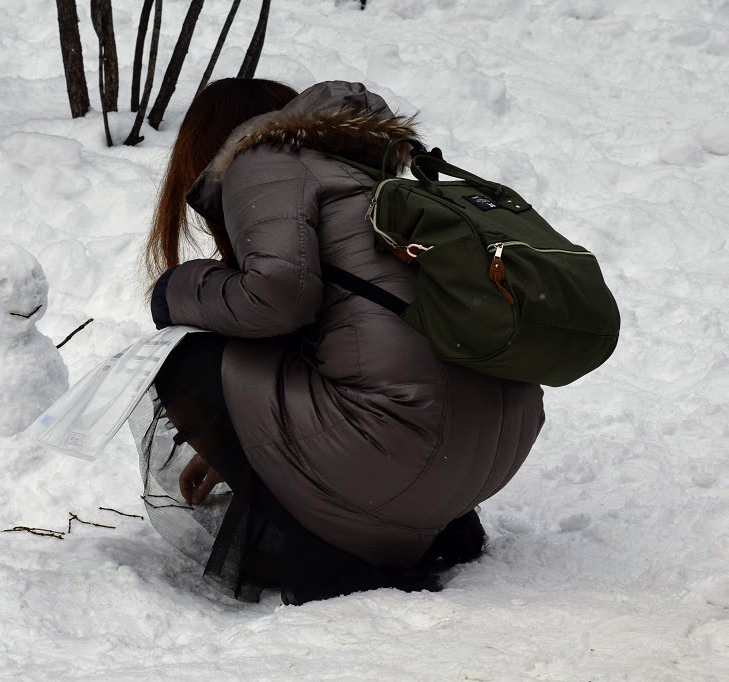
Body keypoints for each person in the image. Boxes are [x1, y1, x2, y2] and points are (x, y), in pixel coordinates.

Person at [140, 79, 545, 605]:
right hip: (485, 450)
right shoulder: (367, 178)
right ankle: (432, 529)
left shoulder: (262, 160)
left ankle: (339, 557)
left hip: (409, 446)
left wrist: (173, 290)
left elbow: (279, 300)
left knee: (187, 358)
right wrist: (234, 445)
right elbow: (339, 337)